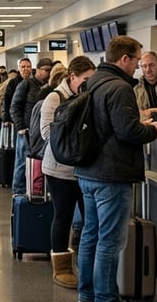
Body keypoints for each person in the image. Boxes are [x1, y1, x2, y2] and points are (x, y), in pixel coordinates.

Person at [74, 36, 157, 302]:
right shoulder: (120, 87)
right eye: (137, 61)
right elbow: (127, 132)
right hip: (111, 173)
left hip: (88, 170)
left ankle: (87, 295)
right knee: (110, 240)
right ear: (124, 59)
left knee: (90, 234)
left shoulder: (94, 82)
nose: (139, 67)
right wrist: (154, 132)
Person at [39, 56, 97, 288]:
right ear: (72, 77)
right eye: (85, 79)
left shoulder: (89, 98)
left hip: (85, 169)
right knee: (63, 215)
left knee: (88, 219)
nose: (88, 84)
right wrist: (75, 137)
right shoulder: (55, 98)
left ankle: (87, 263)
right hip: (59, 169)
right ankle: (61, 266)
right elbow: (46, 133)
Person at [11, 58, 54, 194]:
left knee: (36, 163)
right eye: (46, 70)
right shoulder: (26, 85)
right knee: (22, 162)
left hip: (40, 132)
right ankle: (18, 190)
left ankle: (34, 189)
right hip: (27, 131)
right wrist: (21, 127)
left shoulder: (49, 87)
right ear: (39, 69)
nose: (48, 73)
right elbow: (15, 107)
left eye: (50, 70)